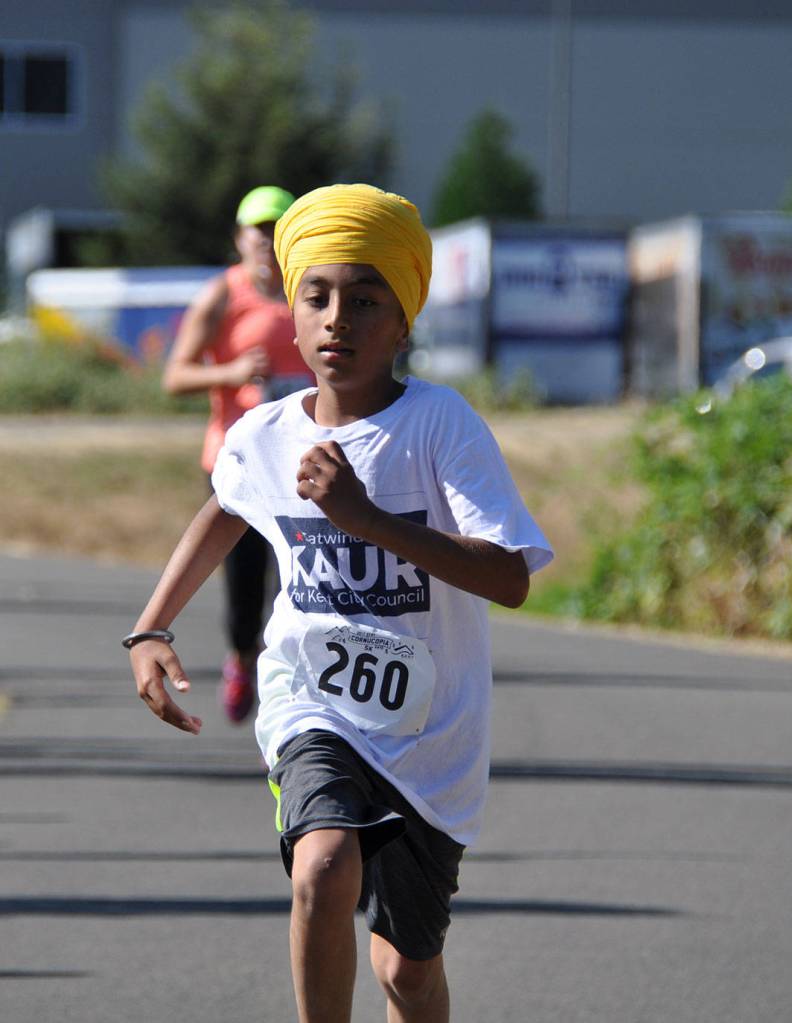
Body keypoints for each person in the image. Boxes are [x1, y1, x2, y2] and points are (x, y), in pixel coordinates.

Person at [126, 182, 553, 1023]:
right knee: (321, 865)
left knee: (406, 972)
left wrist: (363, 518)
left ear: (403, 320)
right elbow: (224, 511)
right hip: (312, 700)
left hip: (431, 734)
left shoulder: (441, 425)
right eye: (316, 297)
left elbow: (509, 577)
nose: (337, 320)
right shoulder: (267, 432)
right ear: (290, 312)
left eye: (365, 300)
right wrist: (151, 625)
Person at [162, 185, 311, 723]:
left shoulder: (313, 291)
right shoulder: (223, 295)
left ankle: (293, 689)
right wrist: (230, 373)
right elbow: (175, 375)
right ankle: (242, 657)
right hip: (239, 462)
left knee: (299, 579)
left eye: (280, 230)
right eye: (260, 231)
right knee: (246, 585)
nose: (270, 242)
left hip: (303, 461)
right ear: (241, 238)